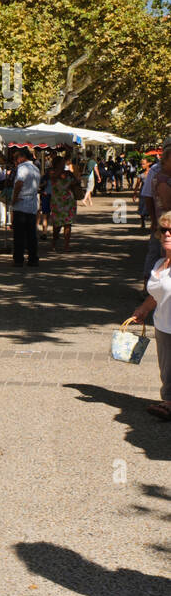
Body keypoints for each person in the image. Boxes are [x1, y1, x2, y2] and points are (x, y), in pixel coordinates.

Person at [133, 211, 171, 420]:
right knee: (166, 369)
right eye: (163, 230)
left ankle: (168, 403)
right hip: (163, 324)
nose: (166, 234)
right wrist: (144, 309)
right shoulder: (159, 265)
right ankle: (168, 400)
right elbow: (157, 294)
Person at [141, 143, 171, 282]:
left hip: (162, 221)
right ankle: (151, 286)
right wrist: (153, 220)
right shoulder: (162, 178)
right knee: (158, 253)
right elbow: (165, 203)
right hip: (164, 222)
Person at [10, 148, 41, 267]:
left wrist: (14, 198)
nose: (16, 161)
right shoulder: (36, 168)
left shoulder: (23, 168)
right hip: (32, 204)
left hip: (22, 203)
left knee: (19, 234)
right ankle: (33, 258)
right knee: (31, 233)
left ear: (22, 157)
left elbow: (19, 183)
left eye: (16, 158)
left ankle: (18, 259)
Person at [45, 158, 81, 252]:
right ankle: (54, 242)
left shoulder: (68, 173)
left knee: (68, 224)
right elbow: (55, 177)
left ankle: (66, 245)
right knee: (57, 226)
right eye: (61, 163)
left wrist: (75, 178)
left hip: (69, 201)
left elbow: (77, 181)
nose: (63, 164)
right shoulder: (52, 172)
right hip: (57, 202)